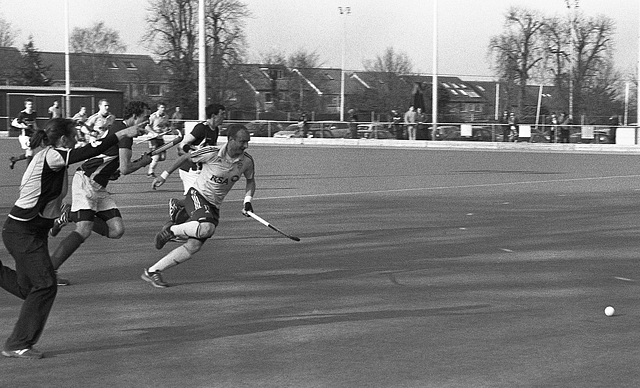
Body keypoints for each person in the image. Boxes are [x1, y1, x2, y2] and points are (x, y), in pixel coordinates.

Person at [0, 118, 143, 359]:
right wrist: (122, 134)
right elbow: (91, 149)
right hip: (22, 232)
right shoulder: (53, 155)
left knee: (30, 290)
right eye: (74, 135)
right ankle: (17, 343)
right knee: (45, 285)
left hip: (30, 232)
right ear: (64, 139)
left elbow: (88, 156)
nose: (77, 138)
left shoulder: (50, 156)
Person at [47, 101, 153, 285]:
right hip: (87, 181)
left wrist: (111, 171)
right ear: (134, 117)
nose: (148, 120)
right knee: (84, 230)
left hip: (99, 185)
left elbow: (111, 161)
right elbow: (126, 168)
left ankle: (70, 213)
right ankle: (50, 272)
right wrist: (143, 163)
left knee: (116, 231)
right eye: (145, 117)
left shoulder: (119, 126)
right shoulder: (124, 134)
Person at [142, 125, 255, 288]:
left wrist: (247, 201)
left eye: (247, 142)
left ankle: (153, 272)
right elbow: (185, 157)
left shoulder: (247, 161)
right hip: (197, 195)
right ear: (230, 140)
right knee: (207, 228)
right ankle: (171, 231)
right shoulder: (211, 152)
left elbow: (250, 181)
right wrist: (163, 175)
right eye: (242, 141)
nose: (246, 146)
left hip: (214, 205)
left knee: (193, 246)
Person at [152, 103, 225, 224]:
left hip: (200, 171)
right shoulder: (201, 128)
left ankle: (174, 227)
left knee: (196, 202)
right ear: (213, 115)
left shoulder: (215, 130)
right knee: (197, 202)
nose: (224, 117)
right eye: (222, 114)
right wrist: (193, 152)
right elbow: (183, 145)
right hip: (190, 170)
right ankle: (178, 218)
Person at [9, 98, 38, 169]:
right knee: (30, 152)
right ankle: (29, 171)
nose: (30, 106)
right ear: (25, 105)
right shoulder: (22, 114)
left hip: (31, 135)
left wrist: (36, 129)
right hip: (24, 136)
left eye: (31, 104)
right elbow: (15, 123)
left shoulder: (34, 113)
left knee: (29, 154)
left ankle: (14, 159)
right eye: (28, 104)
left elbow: (34, 122)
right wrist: (24, 126)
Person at [146, 102, 171, 178]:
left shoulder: (166, 116)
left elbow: (166, 126)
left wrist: (167, 129)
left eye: (164, 108)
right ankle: (150, 172)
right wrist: (154, 133)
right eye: (162, 107)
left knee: (163, 157)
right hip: (153, 138)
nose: (163, 109)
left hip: (160, 138)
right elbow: (147, 127)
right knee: (156, 156)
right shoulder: (153, 116)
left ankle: (149, 159)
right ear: (158, 108)